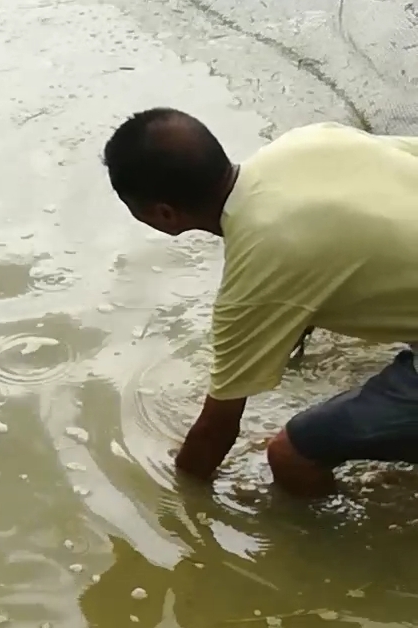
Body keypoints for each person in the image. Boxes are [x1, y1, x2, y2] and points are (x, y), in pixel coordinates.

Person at [103, 109, 418, 497]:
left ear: (164, 214)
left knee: (290, 454)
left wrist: (176, 500)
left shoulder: (257, 270)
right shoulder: (306, 140)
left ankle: (334, 543)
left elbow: (217, 429)